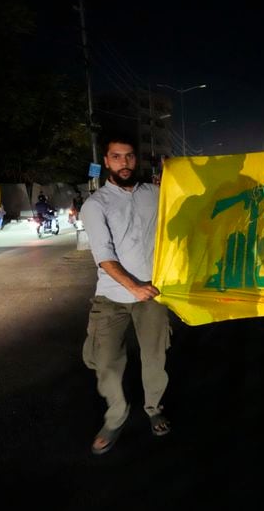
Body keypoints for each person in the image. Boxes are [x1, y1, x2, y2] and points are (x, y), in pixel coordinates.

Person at [80, 133, 172, 455]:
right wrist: (133, 286)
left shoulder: (156, 194)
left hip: (152, 293)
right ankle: (116, 415)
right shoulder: (95, 205)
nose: (124, 162)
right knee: (105, 361)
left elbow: (197, 202)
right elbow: (103, 255)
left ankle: (153, 408)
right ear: (106, 161)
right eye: (116, 157)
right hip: (111, 297)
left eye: (129, 156)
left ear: (137, 159)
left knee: (155, 356)